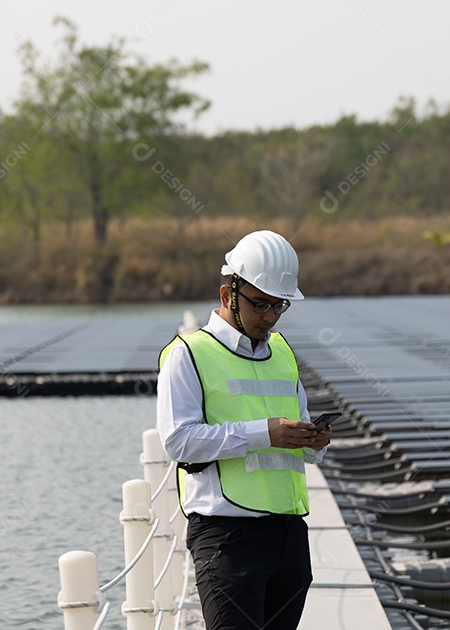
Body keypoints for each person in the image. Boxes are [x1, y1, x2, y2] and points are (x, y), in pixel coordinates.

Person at [156, 229, 330, 630]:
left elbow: (298, 442)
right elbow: (178, 441)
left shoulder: (282, 352)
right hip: (227, 539)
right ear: (226, 294)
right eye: (260, 304)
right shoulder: (188, 355)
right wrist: (265, 432)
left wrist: (313, 442)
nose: (269, 316)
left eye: (279, 306)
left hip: (288, 535)